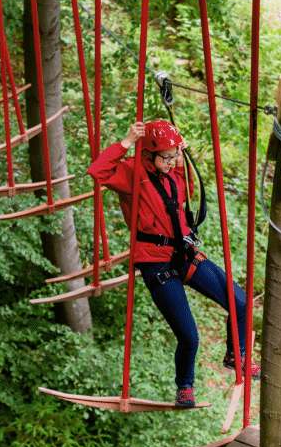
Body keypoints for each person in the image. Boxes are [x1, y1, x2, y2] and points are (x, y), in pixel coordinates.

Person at [88, 119, 259, 408]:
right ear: (148, 155)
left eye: (174, 155)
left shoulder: (174, 173)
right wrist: (127, 141)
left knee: (240, 302)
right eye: (166, 157)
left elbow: (185, 183)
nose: (172, 161)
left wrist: (182, 154)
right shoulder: (131, 173)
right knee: (189, 337)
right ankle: (185, 388)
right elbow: (98, 171)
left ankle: (236, 356)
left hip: (185, 254)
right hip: (156, 263)